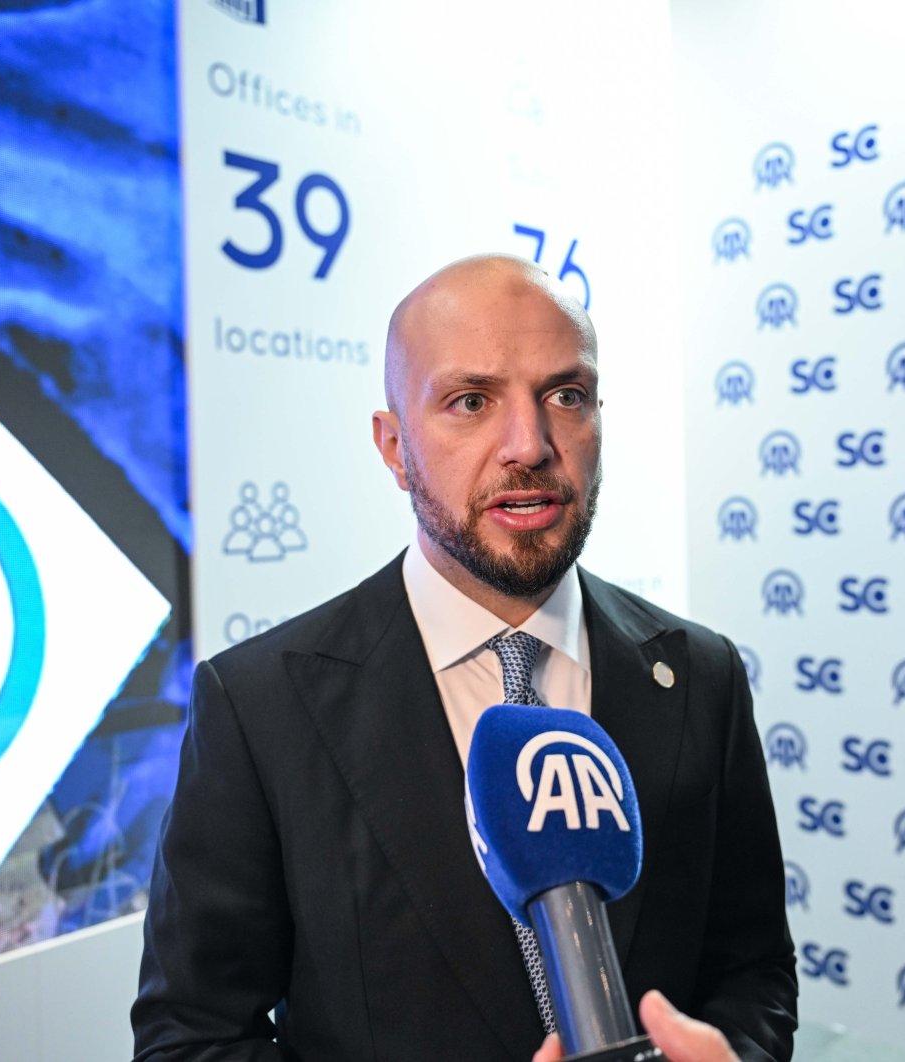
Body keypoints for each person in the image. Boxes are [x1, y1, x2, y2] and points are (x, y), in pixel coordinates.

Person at [132, 254, 797, 1061]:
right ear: (395, 447)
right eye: (471, 401)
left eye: (566, 395)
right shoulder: (259, 706)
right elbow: (193, 1039)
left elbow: (753, 972)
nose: (530, 444)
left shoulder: (702, 675)